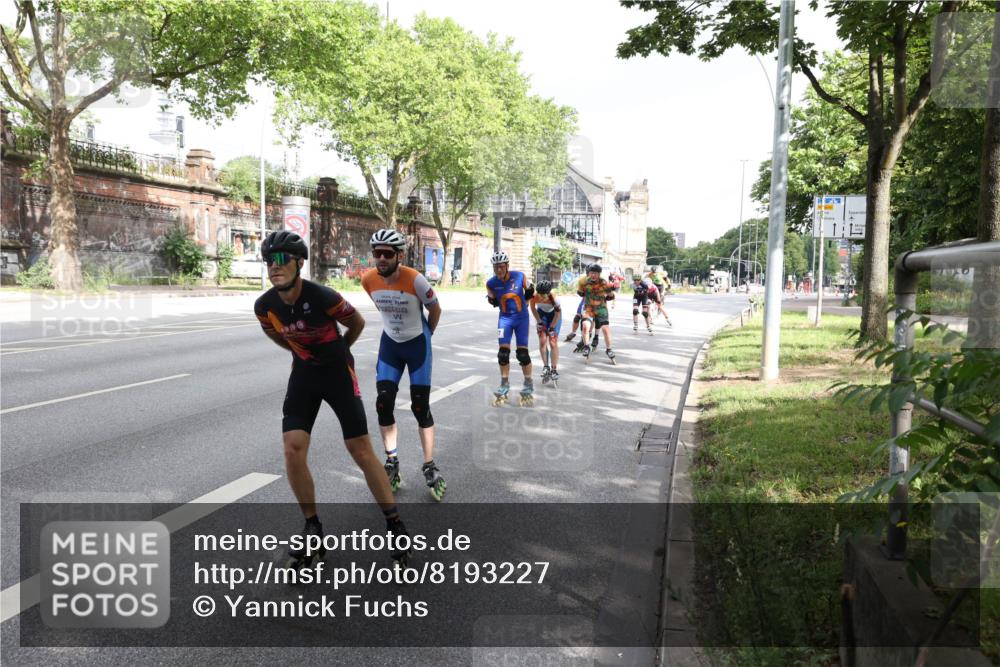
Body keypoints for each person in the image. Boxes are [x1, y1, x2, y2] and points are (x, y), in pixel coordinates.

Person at [253, 230, 410, 568]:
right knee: (292, 448)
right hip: (304, 377)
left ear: (299, 263)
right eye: (269, 261)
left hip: (338, 374)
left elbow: (356, 322)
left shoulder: (322, 295)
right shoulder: (264, 306)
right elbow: (277, 336)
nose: (274, 267)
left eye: (282, 260)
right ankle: (313, 527)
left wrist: (341, 350)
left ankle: (395, 524)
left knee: (361, 450)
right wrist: (304, 353)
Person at [361, 229, 446, 501]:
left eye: (388, 254)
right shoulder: (368, 280)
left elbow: (435, 309)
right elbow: (383, 309)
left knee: (420, 406)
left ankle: (429, 464)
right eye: (377, 253)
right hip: (391, 345)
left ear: (399, 255)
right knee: (383, 403)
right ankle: (392, 461)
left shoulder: (416, 280)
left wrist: (427, 335)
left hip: (417, 344)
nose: (382, 258)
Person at [486, 250, 535, 406]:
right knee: (503, 354)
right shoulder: (491, 283)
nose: (499, 270)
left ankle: (528, 386)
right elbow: (493, 302)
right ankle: (504, 386)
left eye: (501, 266)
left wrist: (525, 303)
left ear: (507, 266)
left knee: (522, 354)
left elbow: (530, 291)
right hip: (505, 319)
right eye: (496, 267)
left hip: (521, 319)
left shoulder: (519, 276)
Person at [576, 264, 616, 363]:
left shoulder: (604, 283)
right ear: (588, 273)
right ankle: (586, 347)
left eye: (596, 273)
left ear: (599, 274)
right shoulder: (583, 282)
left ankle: (609, 349)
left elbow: (611, 295)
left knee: (605, 330)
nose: (593, 275)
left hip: (601, 309)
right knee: (585, 326)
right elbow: (580, 293)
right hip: (589, 308)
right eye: (591, 273)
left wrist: (606, 298)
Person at [529, 280, 561, 384]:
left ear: (549, 292)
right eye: (540, 294)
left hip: (554, 317)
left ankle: (554, 369)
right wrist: (538, 321)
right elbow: (533, 308)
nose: (541, 296)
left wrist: (551, 327)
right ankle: (546, 366)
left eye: (544, 294)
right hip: (542, 315)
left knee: (552, 342)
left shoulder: (554, 298)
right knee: (542, 341)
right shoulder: (534, 296)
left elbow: (557, 314)